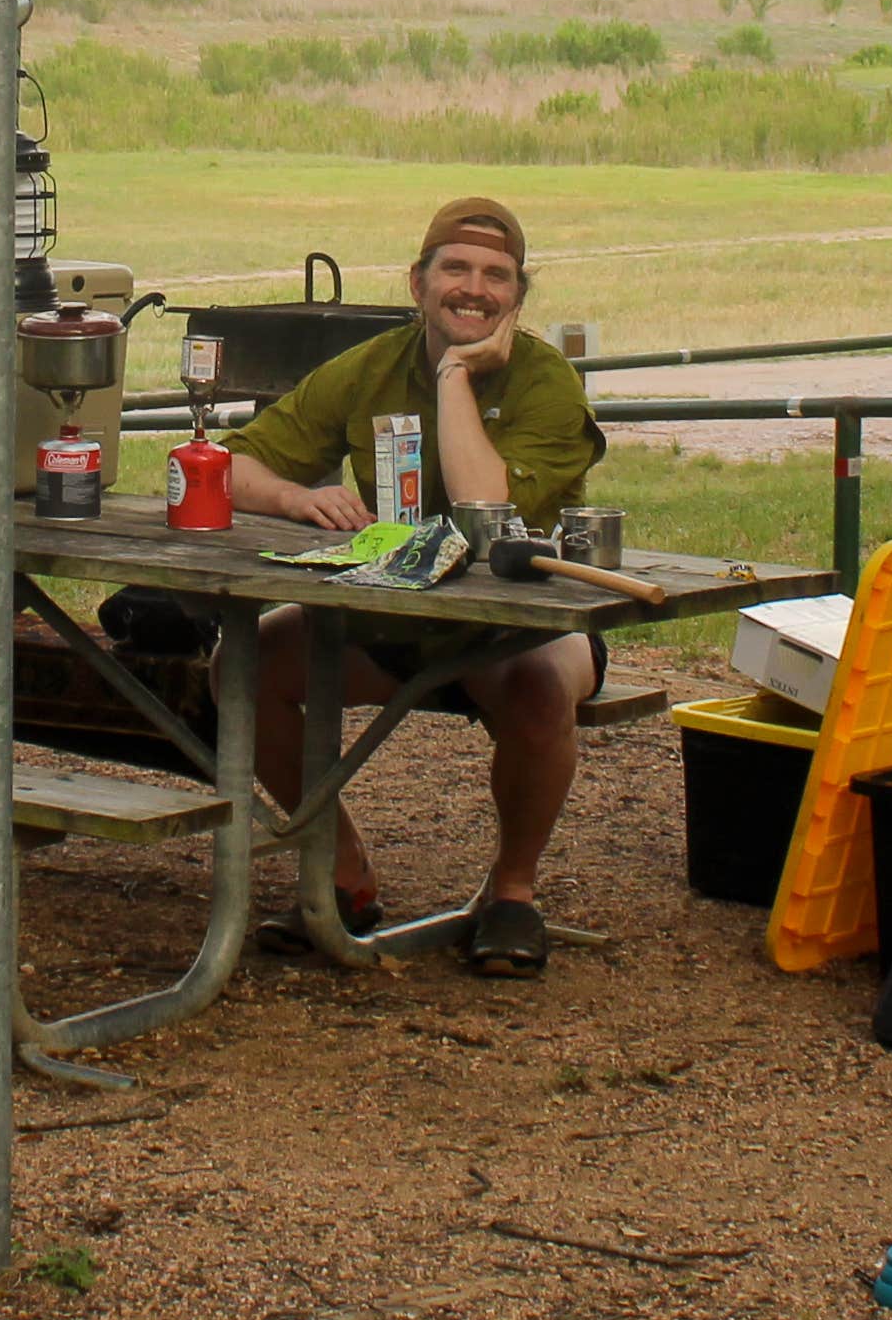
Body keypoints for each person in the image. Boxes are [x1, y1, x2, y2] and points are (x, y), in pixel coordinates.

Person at [221, 193, 605, 977]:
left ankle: (512, 894)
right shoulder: (373, 366)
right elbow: (225, 465)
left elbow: (485, 510)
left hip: (522, 625)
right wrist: (295, 497)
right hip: (396, 614)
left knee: (539, 689)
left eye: (497, 276)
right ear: (417, 282)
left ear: (518, 297)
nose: (474, 289)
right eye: (456, 269)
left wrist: (456, 374)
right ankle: (343, 873)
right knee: (242, 667)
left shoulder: (547, 381)